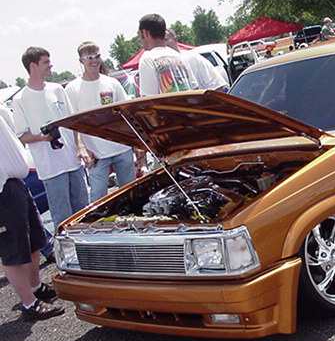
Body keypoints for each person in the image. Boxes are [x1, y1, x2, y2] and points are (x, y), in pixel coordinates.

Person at [12, 47, 89, 231]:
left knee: (85, 212)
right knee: (63, 218)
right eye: (46, 62)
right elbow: (22, 135)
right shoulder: (20, 99)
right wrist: (43, 137)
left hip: (73, 162)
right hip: (51, 169)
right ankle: (68, 250)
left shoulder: (57, 89)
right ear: (33, 66)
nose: (51, 65)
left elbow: (73, 121)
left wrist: (80, 147)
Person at [0, 109, 64, 320]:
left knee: (35, 240)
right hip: (1, 190)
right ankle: (29, 303)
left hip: (16, 182)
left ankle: (35, 287)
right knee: (13, 250)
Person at [64, 41, 137, 202]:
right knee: (98, 200)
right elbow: (73, 122)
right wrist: (81, 147)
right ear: (81, 61)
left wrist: (135, 141)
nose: (94, 61)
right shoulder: (72, 88)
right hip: (96, 153)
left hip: (122, 147)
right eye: (89, 57)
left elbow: (126, 112)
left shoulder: (112, 83)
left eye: (97, 56)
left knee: (132, 195)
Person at [137, 14, 198, 96]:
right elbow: (195, 88)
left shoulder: (147, 59)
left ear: (146, 33)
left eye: (139, 35)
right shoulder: (178, 55)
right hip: (187, 103)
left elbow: (149, 98)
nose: (139, 40)